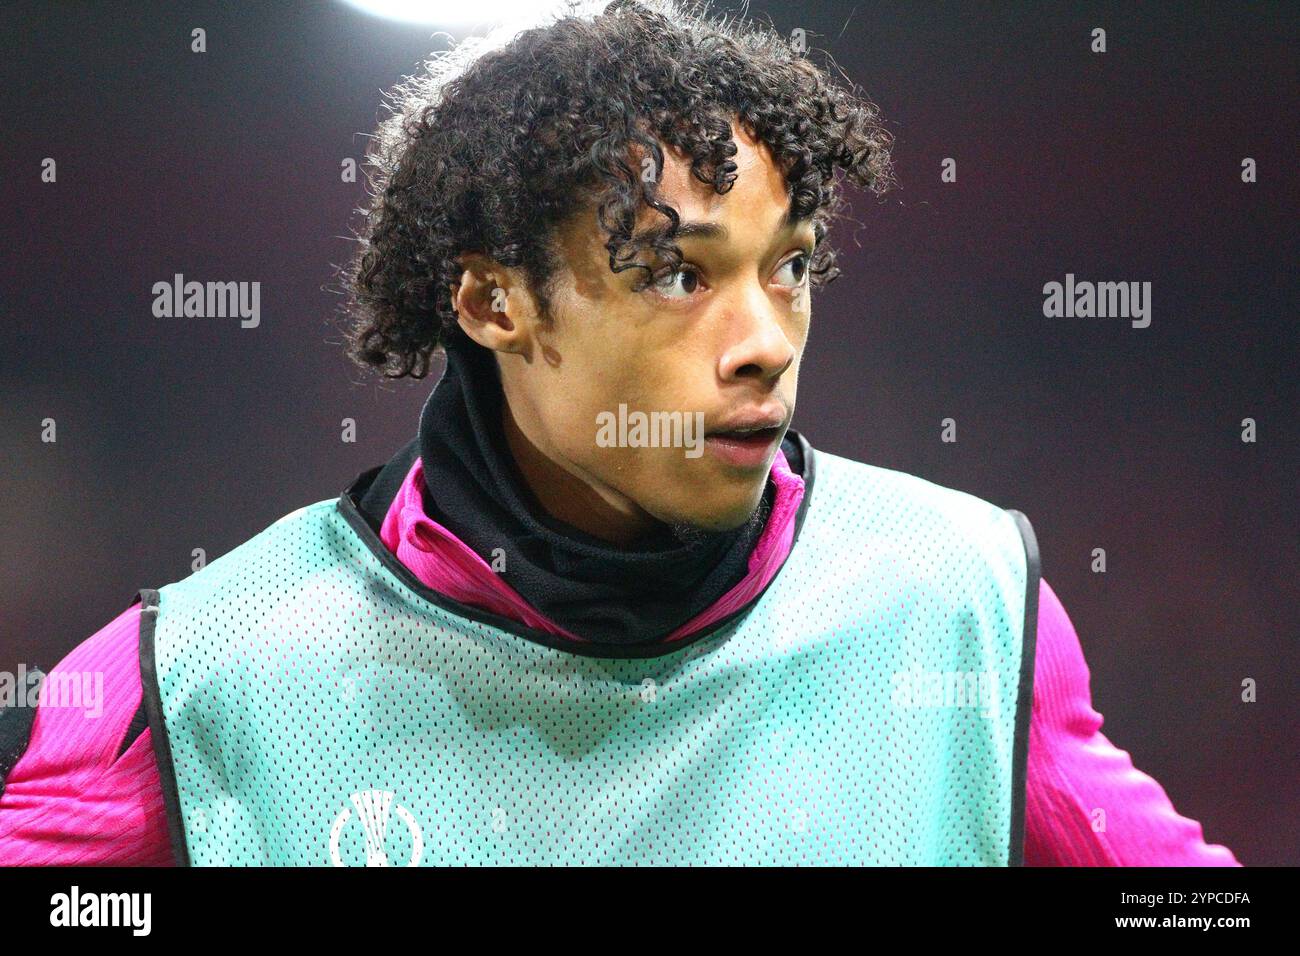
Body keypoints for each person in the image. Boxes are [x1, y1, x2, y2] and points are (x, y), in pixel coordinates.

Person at [0, 0, 1238, 866]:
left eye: (790, 266)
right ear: (492, 301)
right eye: (677, 274)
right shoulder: (204, 670)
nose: (767, 339)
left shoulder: (957, 601)